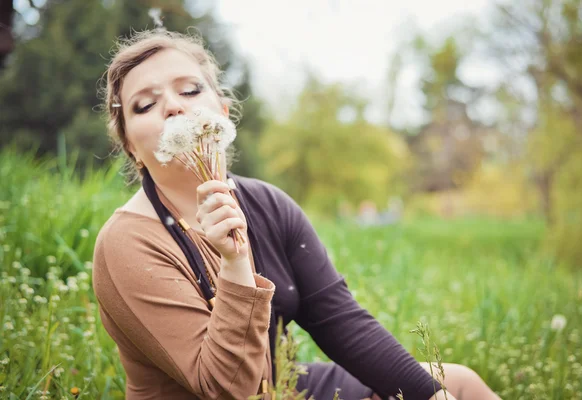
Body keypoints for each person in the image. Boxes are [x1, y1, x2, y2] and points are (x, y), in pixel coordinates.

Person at [92, 29, 501, 400]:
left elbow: (338, 319)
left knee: (455, 385)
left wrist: (429, 397)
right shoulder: (128, 242)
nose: (173, 107)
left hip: (280, 387)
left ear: (223, 110)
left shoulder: (269, 205)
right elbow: (228, 389)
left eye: (190, 90)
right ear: (128, 143)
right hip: (237, 393)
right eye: (145, 104)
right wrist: (235, 263)